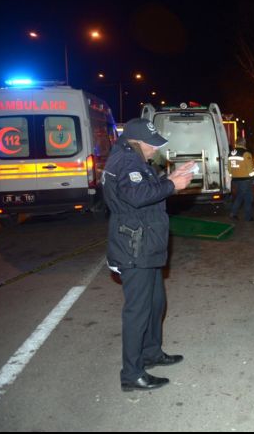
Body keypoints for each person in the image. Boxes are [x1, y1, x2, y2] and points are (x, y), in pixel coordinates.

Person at [102, 118, 193, 392]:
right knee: (137, 312)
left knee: (155, 303)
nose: (155, 149)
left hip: (145, 244)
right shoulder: (126, 162)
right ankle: (132, 374)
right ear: (136, 141)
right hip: (135, 246)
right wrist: (172, 185)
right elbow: (138, 196)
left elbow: (143, 190)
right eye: (151, 144)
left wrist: (171, 178)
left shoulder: (133, 159)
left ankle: (152, 352)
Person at [228, 138, 254, 221]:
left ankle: (238, 215)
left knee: (244, 196)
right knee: (246, 197)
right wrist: (253, 176)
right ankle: (244, 216)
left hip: (235, 179)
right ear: (244, 143)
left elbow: (229, 168)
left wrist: (232, 175)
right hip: (245, 179)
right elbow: (249, 167)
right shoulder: (246, 153)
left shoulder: (231, 153)